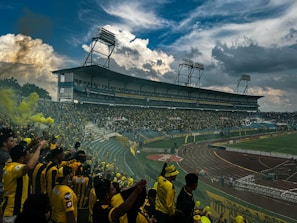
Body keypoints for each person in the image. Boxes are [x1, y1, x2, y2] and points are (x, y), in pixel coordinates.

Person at [1, 140, 47, 223]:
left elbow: (20, 153)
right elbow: (29, 166)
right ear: (22, 158)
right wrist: (39, 149)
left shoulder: (10, 163)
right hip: (13, 213)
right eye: (28, 154)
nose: (30, 155)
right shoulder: (14, 168)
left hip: (14, 212)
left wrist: (31, 144)